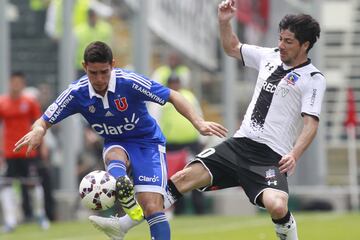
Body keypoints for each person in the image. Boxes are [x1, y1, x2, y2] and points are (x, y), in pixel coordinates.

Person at [88, 1, 326, 240]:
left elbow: (311, 125)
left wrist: (294, 154)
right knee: (181, 178)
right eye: (280, 39)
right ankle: (123, 225)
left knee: (277, 206)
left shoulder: (313, 78)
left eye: (288, 42)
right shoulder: (269, 56)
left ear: (305, 45)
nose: (281, 45)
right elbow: (232, 47)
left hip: (270, 155)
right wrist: (224, 22)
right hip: (239, 144)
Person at [13, 41, 227, 240]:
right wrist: (38, 130)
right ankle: (121, 182)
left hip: (148, 143)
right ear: (84, 66)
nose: (99, 79)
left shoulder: (129, 82)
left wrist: (198, 122)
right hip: (115, 143)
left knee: (153, 207)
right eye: (93, 73)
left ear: (113, 65)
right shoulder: (76, 93)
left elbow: (173, 95)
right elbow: (44, 120)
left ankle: (127, 212)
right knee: (115, 153)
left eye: (104, 72)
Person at [0, 72, 50, 233]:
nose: (15, 85)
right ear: (9, 83)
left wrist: (43, 146)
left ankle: (40, 215)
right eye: (13, 82)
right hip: (9, 151)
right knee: (6, 185)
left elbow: (40, 125)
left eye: (18, 82)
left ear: (22, 84)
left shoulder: (30, 102)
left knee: (33, 184)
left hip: (28, 151)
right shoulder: (2, 103)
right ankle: (10, 221)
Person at [160, 74, 205, 215]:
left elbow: (198, 114)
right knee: (174, 177)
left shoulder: (189, 96)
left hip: (190, 144)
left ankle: (200, 209)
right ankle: (179, 210)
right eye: (172, 83)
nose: (175, 85)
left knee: (197, 174)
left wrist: (202, 139)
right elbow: (156, 119)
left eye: (177, 82)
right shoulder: (161, 99)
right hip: (171, 146)